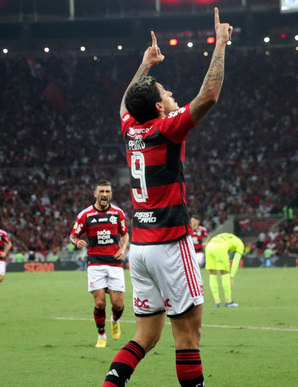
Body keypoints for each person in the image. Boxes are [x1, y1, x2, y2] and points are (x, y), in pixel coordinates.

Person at [102, 8, 232, 387]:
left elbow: (124, 105)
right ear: (159, 108)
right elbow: (208, 96)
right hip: (171, 246)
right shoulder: (166, 129)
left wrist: (144, 65)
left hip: (140, 251)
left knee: (147, 336)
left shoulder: (131, 130)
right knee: (188, 337)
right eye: (166, 93)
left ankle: (111, 384)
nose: (172, 94)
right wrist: (220, 44)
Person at [70, 180, 129, 349]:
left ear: (111, 194)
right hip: (95, 263)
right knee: (100, 303)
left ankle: (115, 320)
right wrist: (77, 242)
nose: (104, 194)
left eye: (107, 191)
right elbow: (73, 235)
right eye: (101, 191)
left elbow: (125, 234)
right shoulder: (85, 215)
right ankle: (101, 335)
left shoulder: (118, 213)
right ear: (95, 194)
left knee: (118, 304)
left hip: (115, 263)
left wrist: (123, 248)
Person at [204, 233, 244, 307]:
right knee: (225, 273)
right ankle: (228, 301)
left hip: (209, 246)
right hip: (220, 248)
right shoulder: (240, 244)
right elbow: (236, 260)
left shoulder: (227, 235)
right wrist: (231, 276)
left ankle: (217, 302)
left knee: (212, 274)